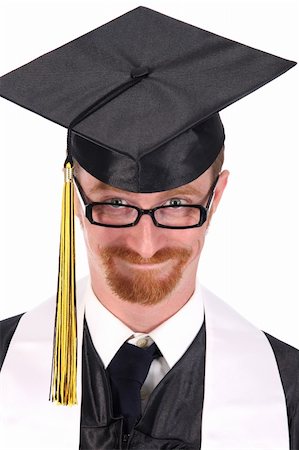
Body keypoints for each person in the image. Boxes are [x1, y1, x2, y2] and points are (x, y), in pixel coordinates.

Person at [0, 6, 298, 450]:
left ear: (215, 198)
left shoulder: (289, 394)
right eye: (115, 203)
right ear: (75, 198)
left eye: (176, 204)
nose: (144, 243)